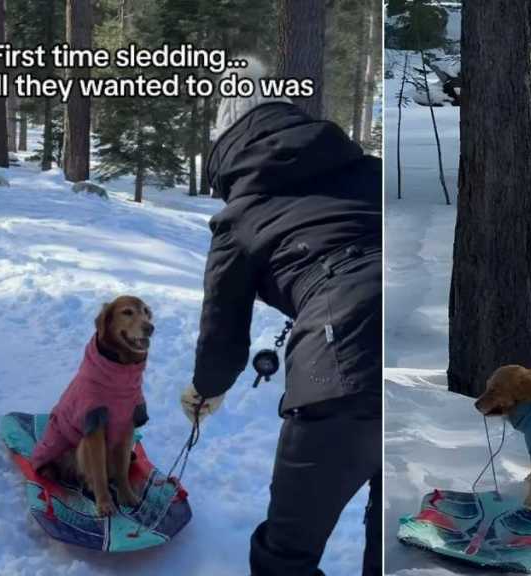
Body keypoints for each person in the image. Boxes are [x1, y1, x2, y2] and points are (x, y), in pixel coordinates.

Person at [179, 65, 382, 576]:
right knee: (397, 535)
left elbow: (222, 328)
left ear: (225, 147)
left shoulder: (240, 216)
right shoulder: (371, 172)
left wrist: (206, 389)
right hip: (421, 342)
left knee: (285, 555)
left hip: (343, 363)